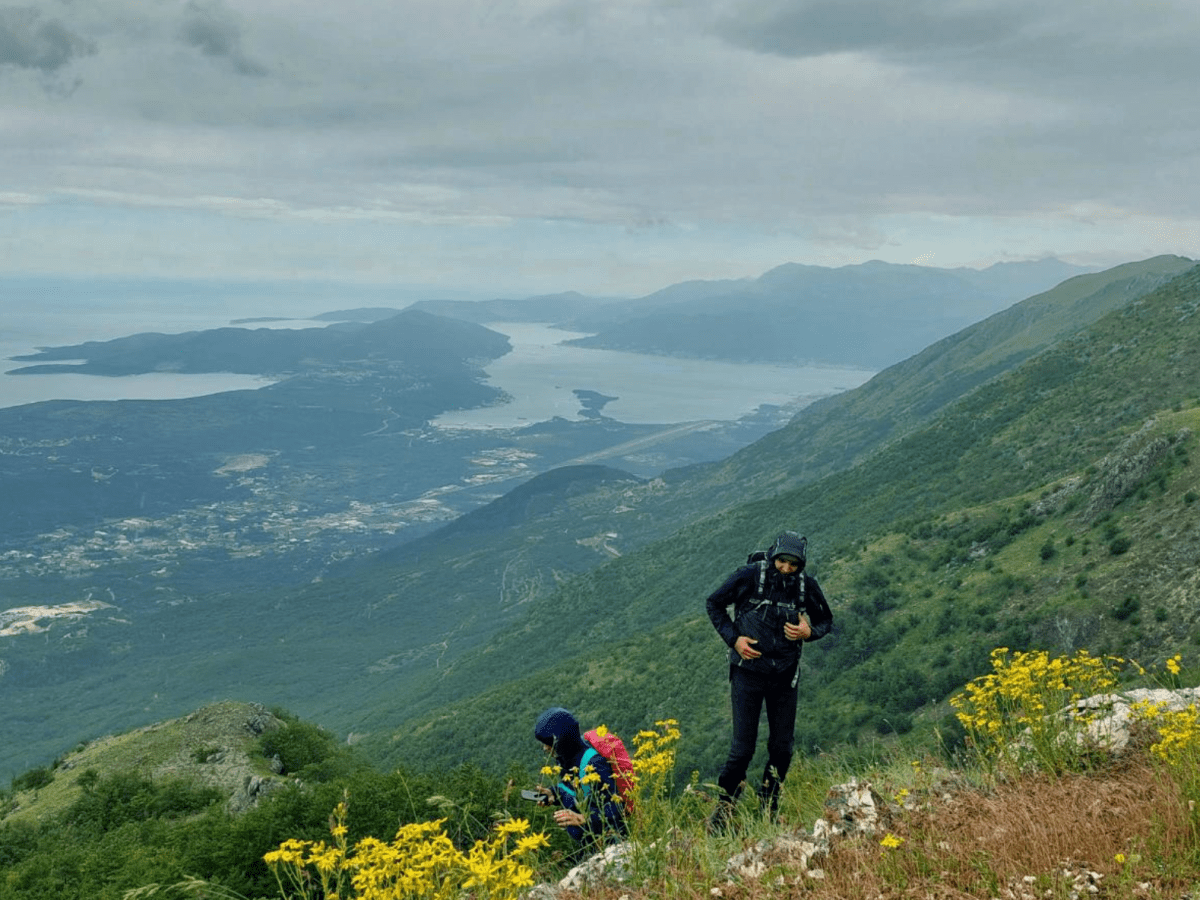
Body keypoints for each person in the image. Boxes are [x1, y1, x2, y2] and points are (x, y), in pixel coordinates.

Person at [705, 530, 833, 827]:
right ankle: (724, 809)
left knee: (782, 748)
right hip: (748, 673)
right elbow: (714, 604)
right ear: (773, 555)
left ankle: (769, 807)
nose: (786, 568)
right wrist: (734, 640)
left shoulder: (804, 586)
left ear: (801, 564)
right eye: (782, 562)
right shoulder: (750, 576)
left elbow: (826, 619)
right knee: (742, 750)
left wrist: (809, 633)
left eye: (793, 564)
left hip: (785, 676)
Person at [533, 706, 628, 850]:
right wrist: (553, 793)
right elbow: (573, 788)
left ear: (562, 742)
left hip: (610, 845)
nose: (545, 748)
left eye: (548, 744)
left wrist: (584, 818)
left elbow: (615, 808)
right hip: (588, 842)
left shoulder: (595, 764)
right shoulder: (566, 759)